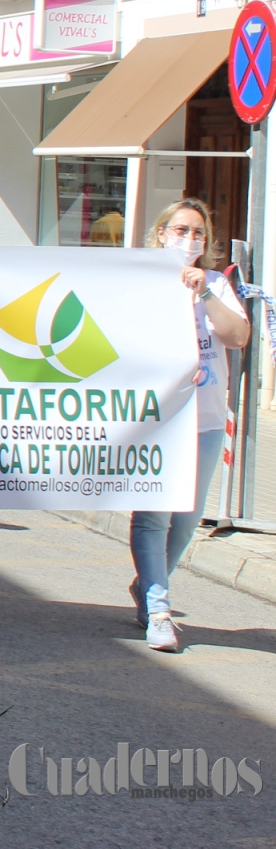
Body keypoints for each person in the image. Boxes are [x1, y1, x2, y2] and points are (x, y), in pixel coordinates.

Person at [130, 198, 248, 653]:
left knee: (187, 518)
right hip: (158, 418)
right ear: (162, 233)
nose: (190, 239)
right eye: (181, 229)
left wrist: (202, 294)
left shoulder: (216, 284)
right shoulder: (142, 281)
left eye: (199, 233)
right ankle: (158, 609)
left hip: (206, 418)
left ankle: (147, 585)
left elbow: (237, 336)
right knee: (154, 514)